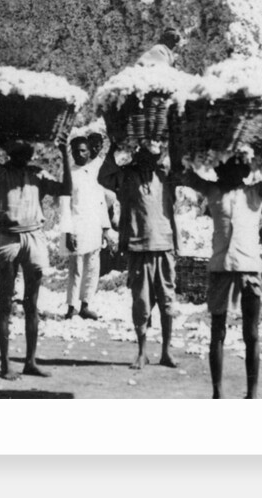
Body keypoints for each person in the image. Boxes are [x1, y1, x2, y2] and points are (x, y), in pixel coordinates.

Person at [174, 118, 262, 398]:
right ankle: (218, 394)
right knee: (217, 334)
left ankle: (251, 395)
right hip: (221, 268)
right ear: (221, 169)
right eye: (227, 165)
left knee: (251, 334)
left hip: (249, 270)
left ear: (244, 171)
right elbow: (180, 170)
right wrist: (176, 133)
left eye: (238, 166)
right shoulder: (213, 191)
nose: (232, 170)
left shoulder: (256, 192)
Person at [0, 137, 72, 380]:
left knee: (31, 304)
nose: (23, 154)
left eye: (26, 151)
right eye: (17, 150)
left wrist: (65, 152)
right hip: (9, 238)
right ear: (9, 153)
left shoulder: (38, 176)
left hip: (34, 236)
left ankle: (30, 362)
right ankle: (5, 364)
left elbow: (66, 188)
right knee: (5, 302)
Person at [98, 140, 179, 370]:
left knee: (167, 302)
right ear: (136, 156)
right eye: (143, 155)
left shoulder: (166, 175)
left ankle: (165, 352)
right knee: (141, 303)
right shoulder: (126, 176)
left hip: (164, 245)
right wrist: (113, 147)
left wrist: (174, 147)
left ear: (157, 159)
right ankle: (142, 352)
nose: (147, 161)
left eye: (152, 157)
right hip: (137, 246)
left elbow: (185, 172)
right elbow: (103, 177)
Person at [59, 137, 111, 320]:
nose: (79, 154)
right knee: (77, 268)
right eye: (75, 151)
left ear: (89, 152)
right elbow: (65, 205)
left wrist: (105, 228)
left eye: (83, 151)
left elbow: (101, 201)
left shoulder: (94, 172)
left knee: (92, 267)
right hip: (77, 227)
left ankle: (85, 305)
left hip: (94, 227)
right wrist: (68, 231)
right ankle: (71, 307)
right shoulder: (69, 175)